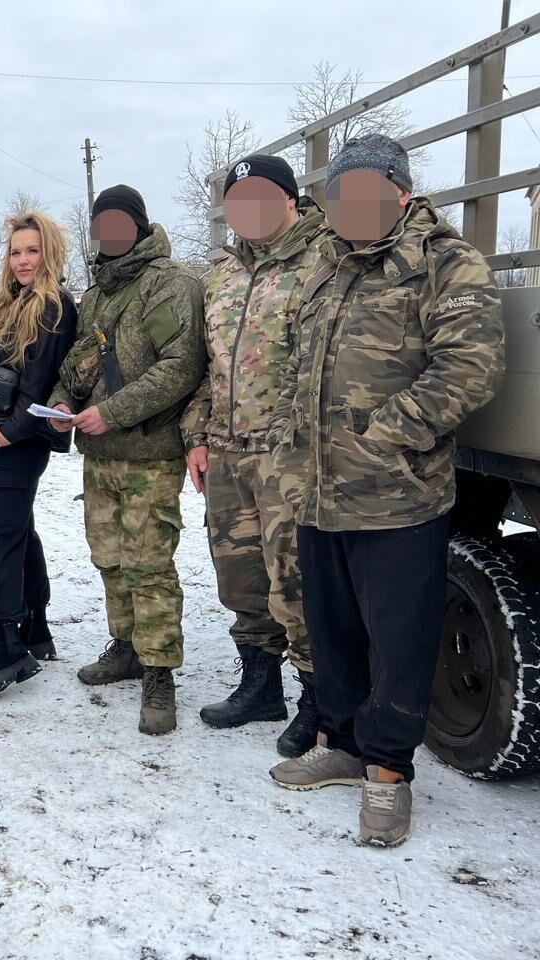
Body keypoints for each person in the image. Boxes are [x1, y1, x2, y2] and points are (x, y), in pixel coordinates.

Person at [268, 135, 504, 846]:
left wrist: (385, 433)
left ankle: (388, 775)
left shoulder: (444, 262)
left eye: (368, 191)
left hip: (395, 497)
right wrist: (291, 432)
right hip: (317, 493)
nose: (354, 206)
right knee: (333, 633)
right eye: (342, 194)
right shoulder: (325, 266)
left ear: (401, 192)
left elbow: (470, 367)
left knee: (398, 643)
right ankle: (341, 743)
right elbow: (295, 362)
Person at [180, 154, 333, 758]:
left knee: (294, 582)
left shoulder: (324, 259)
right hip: (226, 453)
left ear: (291, 200)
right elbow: (207, 370)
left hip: (286, 454)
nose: (248, 209)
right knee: (240, 578)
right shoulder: (221, 275)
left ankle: (318, 700)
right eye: (237, 199)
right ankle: (260, 686)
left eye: (262, 195)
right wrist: (197, 433)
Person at [48, 186, 205, 735]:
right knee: (109, 557)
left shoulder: (170, 286)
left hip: (149, 455)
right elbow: (81, 361)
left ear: (139, 224)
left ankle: (159, 671)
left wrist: (111, 412)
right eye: (101, 223)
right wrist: (66, 400)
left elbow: (181, 366)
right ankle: (127, 647)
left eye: (119, 221)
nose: (109, 232)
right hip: (100, 455)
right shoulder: (96, 296)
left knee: (149, 564)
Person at [0, 211, 77, 697]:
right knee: (17, 531)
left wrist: (8, 433)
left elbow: (38, 382)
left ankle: (7, 640)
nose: (22, 260)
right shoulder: (14, 304)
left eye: (32, 250)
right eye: (15, 252)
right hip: (7, 436)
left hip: (10, 439)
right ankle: (36, 627)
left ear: (49, 252)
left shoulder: (51, 307)